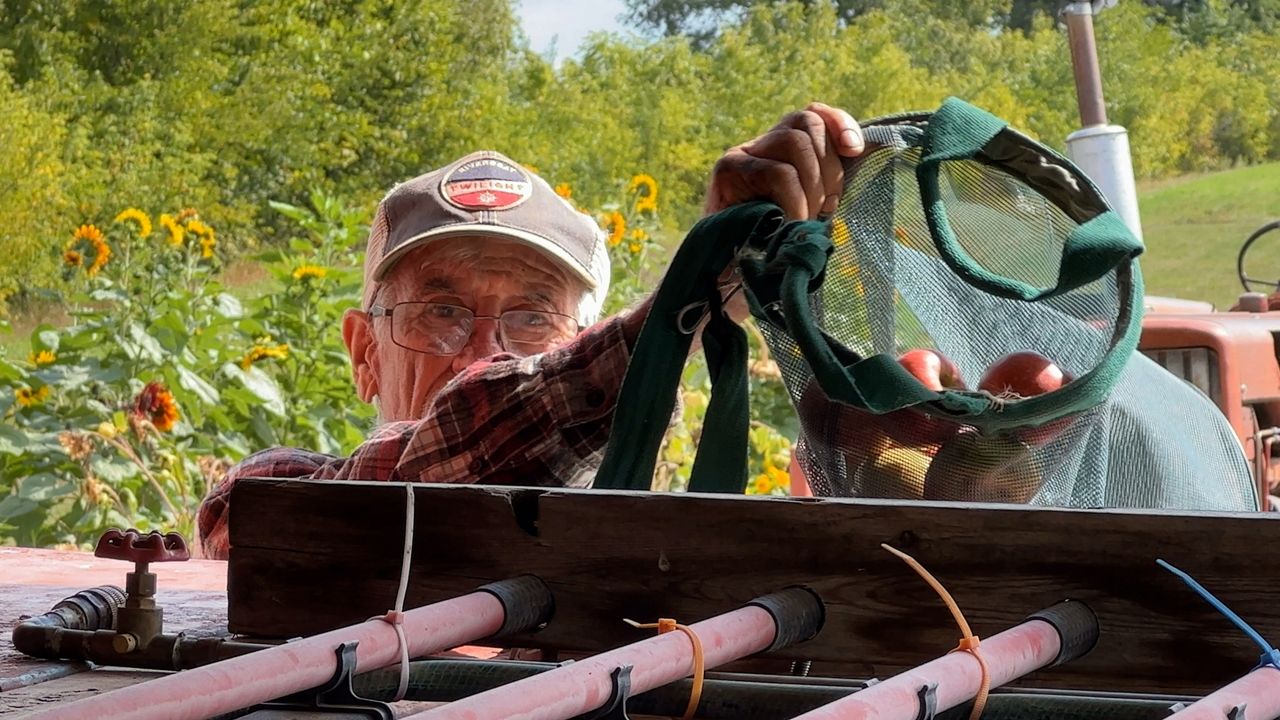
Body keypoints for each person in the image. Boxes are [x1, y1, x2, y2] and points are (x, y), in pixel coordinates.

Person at [196, 103, 865, 559]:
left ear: (574, 340)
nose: (485, 355)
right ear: (364, 353)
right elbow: (401, 478)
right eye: (442, 312)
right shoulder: (269, 497)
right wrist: (676, 310)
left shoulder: (649, 557)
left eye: (532, 318)